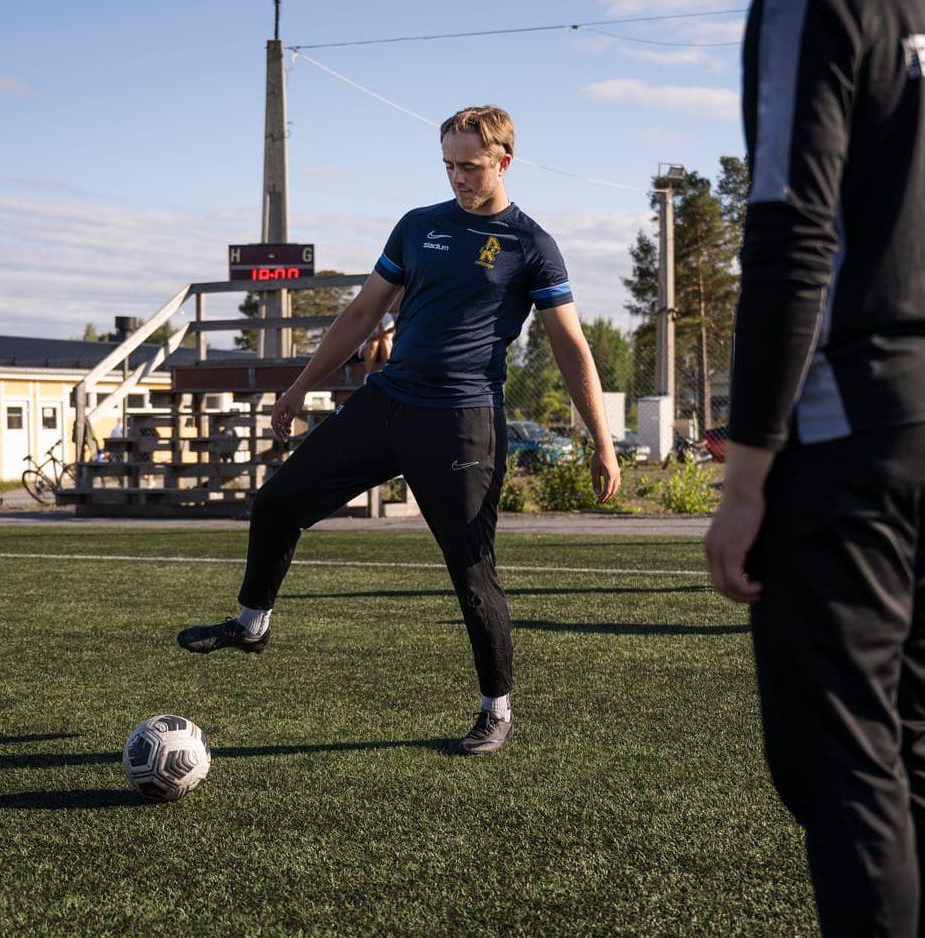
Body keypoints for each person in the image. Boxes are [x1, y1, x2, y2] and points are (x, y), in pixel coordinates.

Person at [177, 105, 620, 756]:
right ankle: (252, 623)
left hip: (463, 423)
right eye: (448, 164)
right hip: (387, 404)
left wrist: (602, 442)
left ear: (503, 160)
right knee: (276, 504)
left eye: (469, 165)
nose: (457, 177)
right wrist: (302, 387)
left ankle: (496, 709)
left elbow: (572, 349)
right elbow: (361, 313)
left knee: (471, 571)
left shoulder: (531, 245)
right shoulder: (418, 227)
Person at [704, 1, 925, 934]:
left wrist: (746, 470)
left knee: (843, 764)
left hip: (854, 416)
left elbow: (791, 227)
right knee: (910, 732)